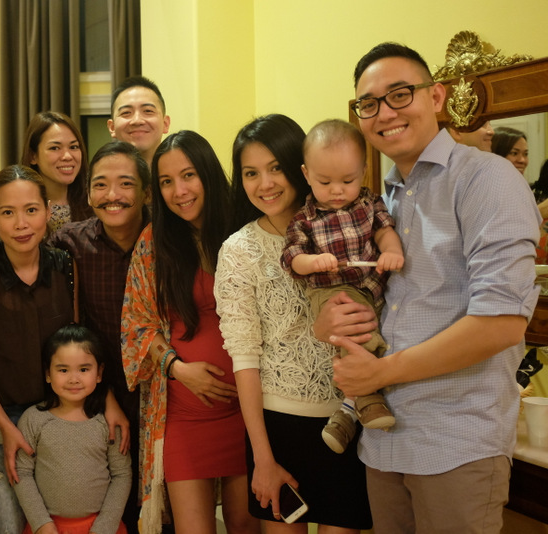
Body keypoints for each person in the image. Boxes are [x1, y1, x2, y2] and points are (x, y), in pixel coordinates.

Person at [319, 42, 540, 534]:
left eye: (400, 94)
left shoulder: (486, 179)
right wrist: (329, 320)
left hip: (456, 440)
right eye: (369, 104)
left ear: (436, 96)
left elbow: (502, 323)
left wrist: (381, 371)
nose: (385, 113)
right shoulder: (382, 198)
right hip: (384, 440)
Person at [214, 114, 372, 533]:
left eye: (274, 168)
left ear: (298, 168)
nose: (264, 183)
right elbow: (244, 359)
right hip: (277, 427)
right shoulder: (238, 250)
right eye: (251, 173)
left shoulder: (348, 227)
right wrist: (262, 458)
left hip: (348, 418)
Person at [0, 164, 129, 534]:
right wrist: (6, 426)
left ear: (48, 211)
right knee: (8, 524)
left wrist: (108, 399)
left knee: (63, 516)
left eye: (31, 210)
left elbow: (79, 344)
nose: (21, 224)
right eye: (8, 212)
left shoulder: (64, 265)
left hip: (59, 410)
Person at [121, 130, 257, 534]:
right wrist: (178, 368)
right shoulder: (154, 243)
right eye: (166, 181)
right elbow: (136, 323)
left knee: (246, 524)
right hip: (184, 414)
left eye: (188, 175)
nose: (179, 191)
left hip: (250, 410)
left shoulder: (245, 227)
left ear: (208, 173)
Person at [280, 119, 404, 454]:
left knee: (374, 335)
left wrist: (392, 250)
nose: (337, 190)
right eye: (325, 182)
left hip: (370, 287)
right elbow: (291, 258)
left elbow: (384, 230)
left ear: (363, 171)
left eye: (348, 180)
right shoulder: (305, 219)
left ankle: (346, 414)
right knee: (356, 331)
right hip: (331, 291)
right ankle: (368, 398)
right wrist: (312, 262)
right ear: (307, 174)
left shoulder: (370, 203)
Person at [48, 141, 151, 534]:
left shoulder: (166, 239)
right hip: (98, 395)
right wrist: (104, 397)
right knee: (107, 505)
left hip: (164, 392)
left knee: (165, 506)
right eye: (101, 185)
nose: (112, 195)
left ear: (145, 192)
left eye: (125, 184)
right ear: (88, 194)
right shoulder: (70, 244)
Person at [15, 324, 131, 534]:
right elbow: (22, 472)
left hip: (101, 528)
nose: (74, 379)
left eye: (84, 369)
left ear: (99, 373)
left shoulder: (109, 423)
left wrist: (104, 527)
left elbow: (122, 474)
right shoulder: (33, 419)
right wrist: (41, 524)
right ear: (48, 373)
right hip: (48, 528)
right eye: (63, 370)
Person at [21, 111, 93, 232]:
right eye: (55, 148)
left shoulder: (93, 203)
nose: (67, 156)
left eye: (74, 147)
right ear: (32, 156)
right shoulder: (19, 206)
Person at [108, 76, 170, 163]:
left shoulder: (183, 169)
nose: (137, 121)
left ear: (165, 124)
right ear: (112, 127)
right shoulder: (100, 171)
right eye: (126, 112)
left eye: (148, 111)